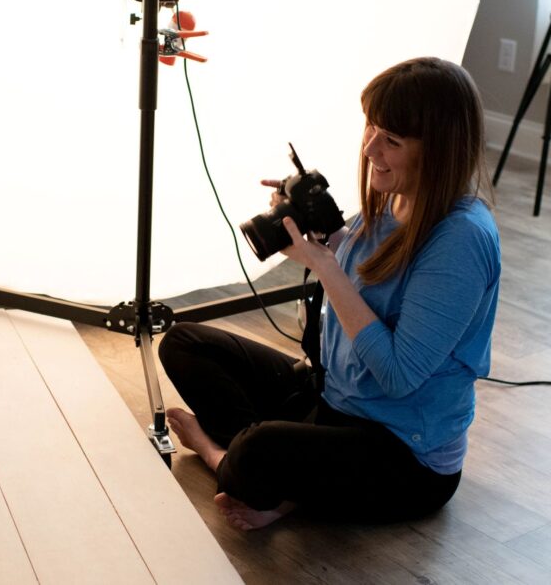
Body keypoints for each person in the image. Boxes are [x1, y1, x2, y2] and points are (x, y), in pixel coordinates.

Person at [160, 57, 500, 530]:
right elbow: (368, 274)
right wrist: (319, 233)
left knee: (258, 450)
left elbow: (399, 375)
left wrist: (323, 265)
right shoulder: (397, 198)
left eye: (391, 141)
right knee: (184, 342)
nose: (370, 148)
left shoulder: (460, 240)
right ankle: (283, 477)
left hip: (402, 451)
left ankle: (224, 457)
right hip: (336, 398)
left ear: (440, 151)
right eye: (371, 128)